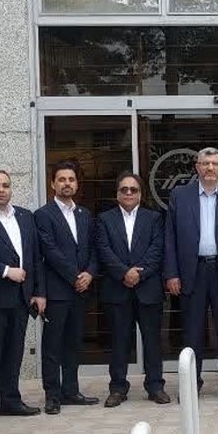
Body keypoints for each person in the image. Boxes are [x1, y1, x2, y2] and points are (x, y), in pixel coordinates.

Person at [164, 147, 218, 402]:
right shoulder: (180, 195)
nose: (210, 168)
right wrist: (172, 273)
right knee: (192, 333)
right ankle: (191, 385)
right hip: (192, 272)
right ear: (197, 167)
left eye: (215, 163)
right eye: (205, 163)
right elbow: (170, 237)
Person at [0, 170, 44, 428]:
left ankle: (11, 401)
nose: (0, 190)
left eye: (5, 185)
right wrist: (4, 271)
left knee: (14, 352)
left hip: (21, 298)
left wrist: (39, 291)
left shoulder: (25, 216)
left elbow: (35, 257)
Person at [94, 172, 167, 408]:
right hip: (117, 289)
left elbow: (157, 249)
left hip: (148, 289)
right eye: (124, 189)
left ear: (140, 194)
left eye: (133, 189)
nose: (128, 193)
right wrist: (124, 273)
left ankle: (155, 386)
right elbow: (103, 250)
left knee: (152, 341)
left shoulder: (154, 218)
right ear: (117, 194)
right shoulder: (104, 219)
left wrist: (138, 274)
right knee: (119, 341)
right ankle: (117, 388)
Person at [34, 161, 99, 414]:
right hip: (57, 291)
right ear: (53, 184)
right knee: (53, 345)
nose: (67, 184)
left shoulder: (84, 214)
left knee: (74, 343)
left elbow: (93, 248)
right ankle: (53, 394)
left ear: (77, 184)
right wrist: (75, 276)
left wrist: (90, 273)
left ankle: (71, 390)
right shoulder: (43, 215)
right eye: (62, 179)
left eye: (71, 179)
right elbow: (50, 251)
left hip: (81, 291)